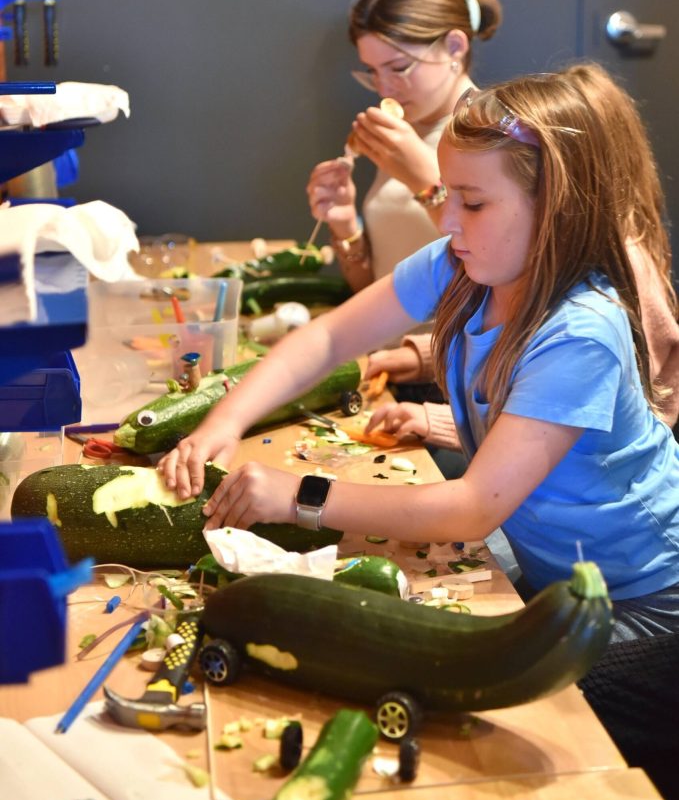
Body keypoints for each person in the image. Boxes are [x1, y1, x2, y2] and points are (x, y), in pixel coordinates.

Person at [159, 62, 679, 643]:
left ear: (556, 208)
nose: (449, 221)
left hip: (645, 598)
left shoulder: (582, 333)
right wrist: (222, 423)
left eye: (473, 203)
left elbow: (473, 507)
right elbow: (329, 338)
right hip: (556, 576)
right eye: (447, 194)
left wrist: (302, 497)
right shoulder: (462, 263)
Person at [365, 61, 679, 450]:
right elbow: (520, 335)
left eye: (475, 203)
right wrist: (418, 356)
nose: (450, 223)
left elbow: (572, 397)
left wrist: (435, 420)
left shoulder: (612, 282)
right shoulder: (539, 261)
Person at [306, 0, 502, 292]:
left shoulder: (494, 135)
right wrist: (345, 227)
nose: (385, 89)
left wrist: (426, 183)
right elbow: (376, 288)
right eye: (373, 71)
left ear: (455, 46)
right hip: (382, 342)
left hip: (445, 345)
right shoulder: (406, 128)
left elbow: (504, 272)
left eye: (398, 68)